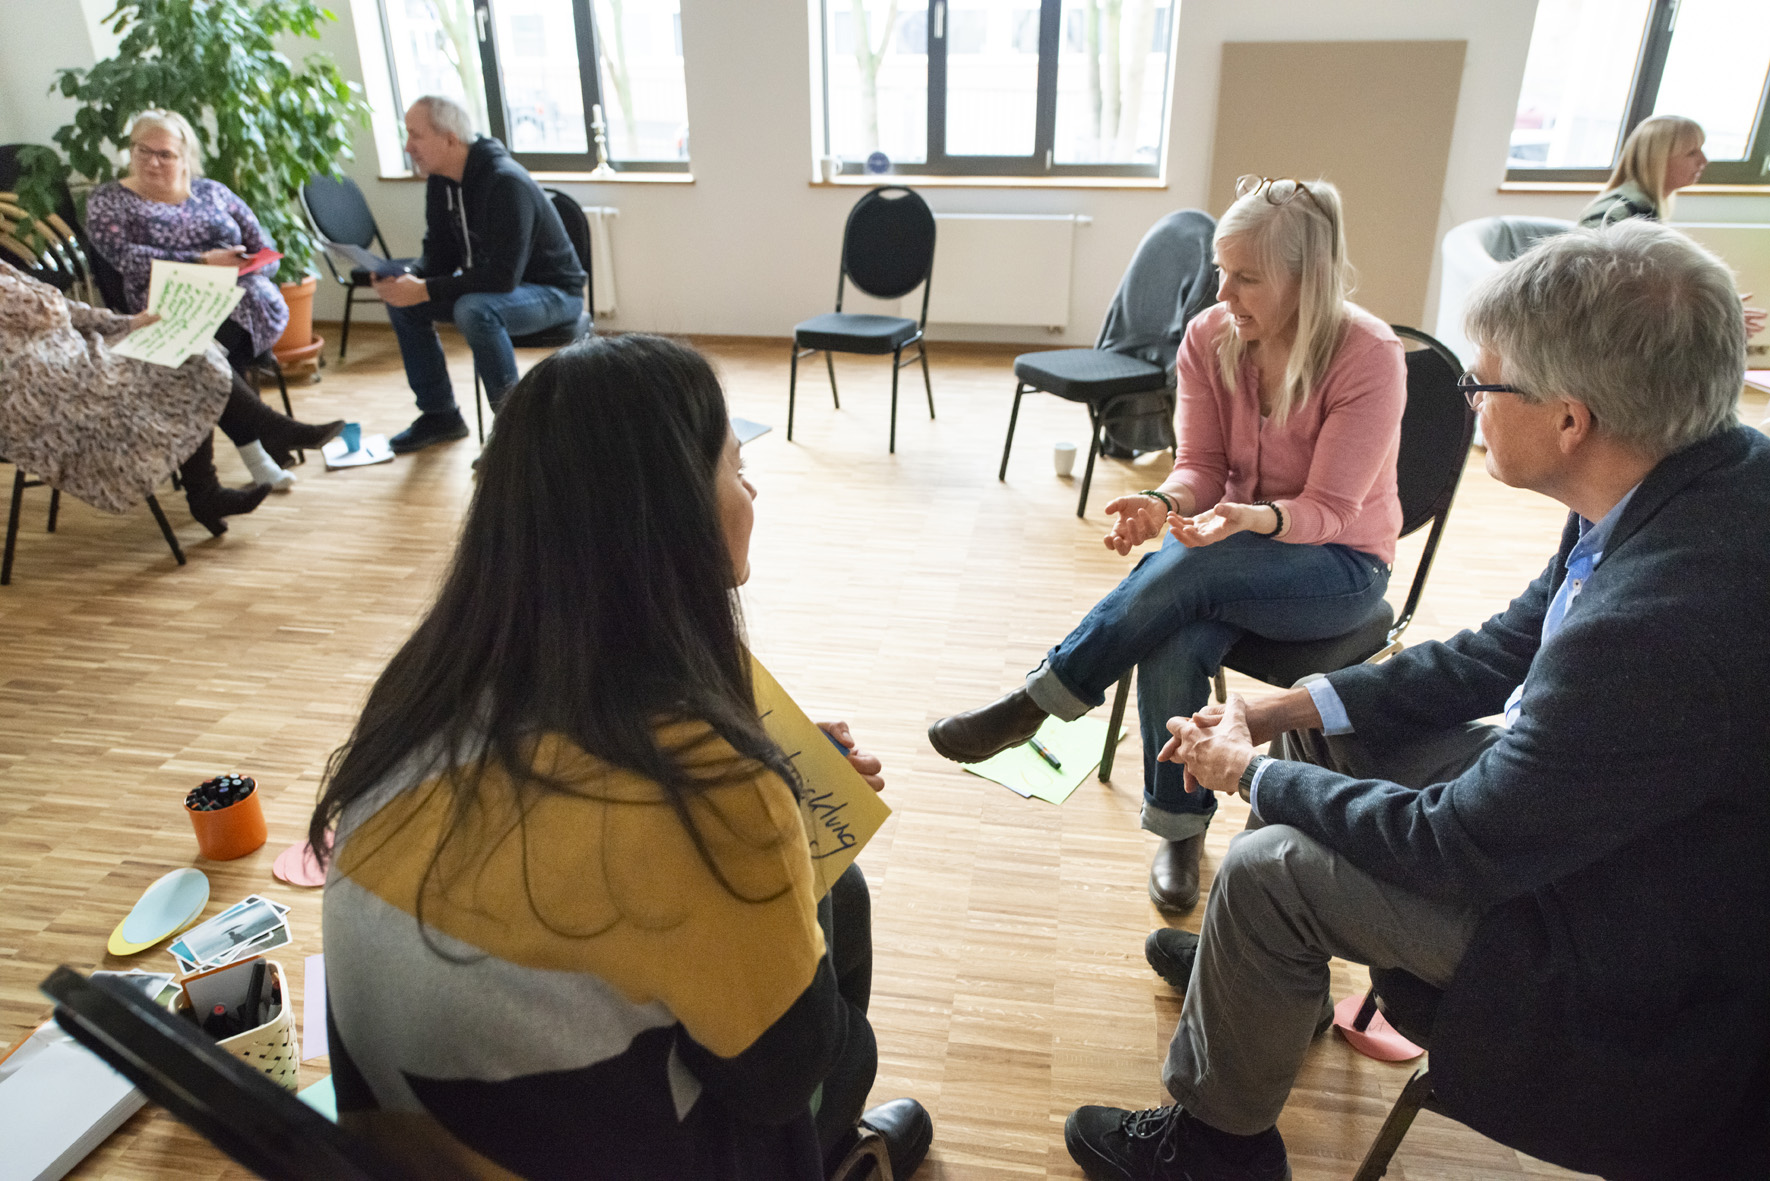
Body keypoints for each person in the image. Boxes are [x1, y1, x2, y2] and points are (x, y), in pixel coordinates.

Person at [1068, 220, 1770, 1181]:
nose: (1471, 406)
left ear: (1572, 419)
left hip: (1633, 938)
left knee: (1271, 869)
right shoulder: (1683, 478)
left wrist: (1250, 771)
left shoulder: (1653, 627)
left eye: (1484, 386)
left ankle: (1213, 1152)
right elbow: (1496, 652)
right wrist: (1287, 712)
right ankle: (1267, 988)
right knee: (1327, 745)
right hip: (1609, 830)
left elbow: (1459, 844)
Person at [310, 334, 932, 1180]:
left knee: (843, 891)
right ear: (670, 513)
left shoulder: (428, 684)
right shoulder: (707, 790)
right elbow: (779, 1078)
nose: (750, 489)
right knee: (839, 1048)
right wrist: (767, 791)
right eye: (736, 464)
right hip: (576, 1147)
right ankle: (832, 1147)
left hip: (416, 1139)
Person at [928, 177, 1406, 914]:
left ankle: (1038, 700)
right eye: (1222, 270)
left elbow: (1331, 510)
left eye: (1246, 276)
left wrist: (1247, 520)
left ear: (1304, 279)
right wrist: (1161, 502)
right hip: (1227, 552)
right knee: (1173, 626)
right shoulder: (1211, 335)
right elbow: (1201, 470)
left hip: (1338, 565)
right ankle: (1181, 830)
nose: (1224, 291)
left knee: (1186, 577)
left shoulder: (1368, 355)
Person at [0, 259, 340, 535]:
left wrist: (126, 322)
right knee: (177, 367)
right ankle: (261, 442)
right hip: (39, 389)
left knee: (187, 349)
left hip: (77, 358)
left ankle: (212, 487)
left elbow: (63, 307)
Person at [85, 109, 313, 491]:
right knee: (206, 354)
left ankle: (213, 480)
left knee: (213, 353)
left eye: (166, 154)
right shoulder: (109, 200)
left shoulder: (213, 192)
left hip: (239, 300)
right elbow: (127, 260)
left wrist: (247, 265)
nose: (153, 162)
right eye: (144, 151)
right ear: (130, 150)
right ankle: (260, 443)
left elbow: (264, 248)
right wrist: (201, 261)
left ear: (185, 155)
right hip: (164, 305)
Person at [373, 95, 586, 454]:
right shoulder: (441, 183)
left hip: (554, 294)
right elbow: (439, 256)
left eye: (415, 136)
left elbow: (503, 277)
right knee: (402, 297)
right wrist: (409, 276)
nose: (408, 147)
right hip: (495, 291)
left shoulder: (505, 183)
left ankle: (514, 435)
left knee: (473, 309)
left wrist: (425, 288)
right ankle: (440, 415)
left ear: (450, 139)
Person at [1576, 115, 1766, 338]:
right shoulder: (1623, 214)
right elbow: (1614, 303)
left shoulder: (1641, 208)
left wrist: (1714, 312)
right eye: (1691, 152)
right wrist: (1711, 319)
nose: (1703, 160)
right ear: (1659, 158)